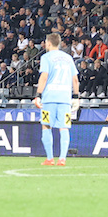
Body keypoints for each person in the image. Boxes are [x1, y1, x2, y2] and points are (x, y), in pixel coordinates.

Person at [33, 32, 78, 166]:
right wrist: (76, 96)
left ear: (48, 43)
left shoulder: (46, 57)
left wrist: (38, 95)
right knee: (64, 128)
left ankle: (50, 158)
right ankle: (62, 158)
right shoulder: (68, 58)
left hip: (49, 98)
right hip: (65, 99)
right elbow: (75, 79)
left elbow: (44, 77)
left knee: (46, 126)